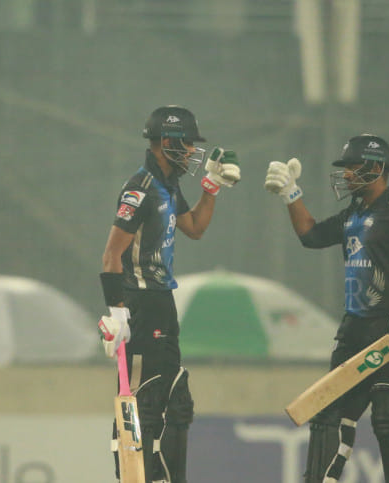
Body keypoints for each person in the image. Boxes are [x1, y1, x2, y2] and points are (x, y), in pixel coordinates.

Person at [264, 134, 389, 482]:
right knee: (328, 419)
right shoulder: (353, 214)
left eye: (352, 167)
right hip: (352, 334)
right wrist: (291, 194)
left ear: (376, 168)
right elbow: (311, 236)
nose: (345, 174)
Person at [98, 105, 240, 482]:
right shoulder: (140, 188)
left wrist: (211, 187)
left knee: (173, 400)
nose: (192, 152)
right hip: (139, 305)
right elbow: (111, 255)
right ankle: (133, 475)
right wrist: (118, 314)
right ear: (166, 142)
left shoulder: (168, 185)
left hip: (163, 302)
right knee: (141, 404)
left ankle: (164, 476)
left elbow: (194, 227)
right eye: (187, 144)